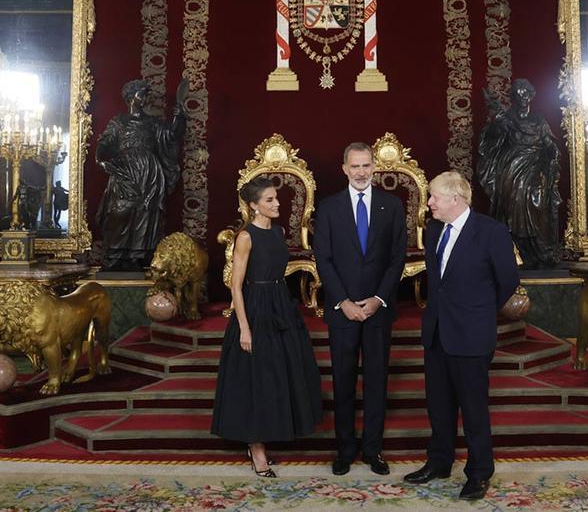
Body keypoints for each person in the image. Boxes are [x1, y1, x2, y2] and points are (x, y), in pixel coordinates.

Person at [404, 171, 520, 501]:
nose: (429, 203)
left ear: (455, 199)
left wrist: (479, 311)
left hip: (471, 336)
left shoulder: (491, 231)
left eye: (434, 197)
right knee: (438, 407)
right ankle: (439, 462)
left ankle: (479, 472)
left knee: (473, 409)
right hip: (437, 333)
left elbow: (508, 280)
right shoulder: (434, 229)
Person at [210, 176, 322, 477]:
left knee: (280, 373)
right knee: (256, 378)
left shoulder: (278, 232)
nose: (277, 204)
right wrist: (244, 328)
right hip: (255, 307)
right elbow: (236, 286)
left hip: (280, 304)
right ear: (254, 205)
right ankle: (256, 447)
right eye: (270, 200)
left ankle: (274, 432)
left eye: (276, 198)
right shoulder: (245, 237)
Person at [314, 142, 407, 476]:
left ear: (374, 167)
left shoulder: (392, 205)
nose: (361, 172)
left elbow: (397, 257)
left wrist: (379, 298)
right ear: (345, 169)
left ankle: (372, 450)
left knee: (376, 382)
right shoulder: (329, 207)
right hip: (343, 311)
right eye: (355, 166)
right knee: (343, 382)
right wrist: (344, 302)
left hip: (378, 310)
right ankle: (345, 450)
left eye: (366, 165)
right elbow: (323, 258)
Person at [95, 79, 187, 271]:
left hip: (149, 172)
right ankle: (115, 255)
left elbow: (171, 136)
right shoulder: (119, 121)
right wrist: (100, 160)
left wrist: (179, 117)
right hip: (125, 170)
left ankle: (138, 256)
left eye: (146, 94)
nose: (145, 98)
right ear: (131, 96)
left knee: (145, 211)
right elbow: (105, 143)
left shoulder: (153, 123)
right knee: (119, 210)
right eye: (142, 94)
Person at [477, 80, 561, 268]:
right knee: (512, 201)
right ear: (513, 97)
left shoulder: (539, 120)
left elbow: (549, 143)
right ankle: (514, 250)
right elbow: (490, 140)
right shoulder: (506, 118)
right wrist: (497, 125)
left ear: (531, 95)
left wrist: (552, 152)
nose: (523, 97)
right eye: (518, 93)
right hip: (512, 167)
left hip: (536, 167)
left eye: (526, 93)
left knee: (538, 202)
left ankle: (540, 251)